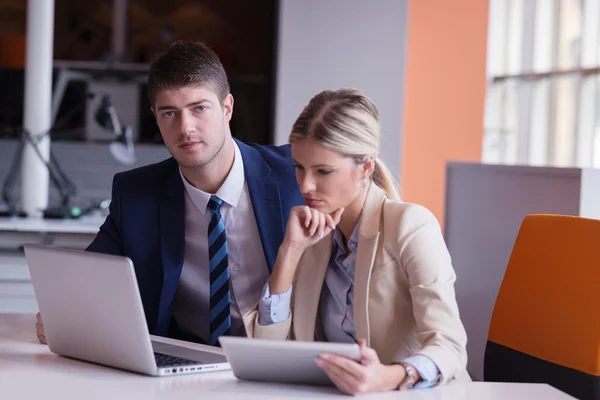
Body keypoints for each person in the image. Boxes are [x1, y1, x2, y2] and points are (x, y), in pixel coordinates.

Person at [36, 40, 303, 346]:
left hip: (283, 359)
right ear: (155, 116)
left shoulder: (294, 175)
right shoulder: (137, 194)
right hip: (188, 364)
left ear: (227, 107)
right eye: (169, 114)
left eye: (199, 108)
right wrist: (64, 313)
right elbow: (91, 281)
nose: (185, 127)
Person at [250, 89, 469, 395]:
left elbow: (450, 344)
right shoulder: (314, 235)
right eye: (299, 167)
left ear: (365, 166)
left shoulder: (412, 226)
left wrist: (392, 376)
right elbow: (269, 350)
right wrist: (290, 251)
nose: (305, 185)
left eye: (323, 171)